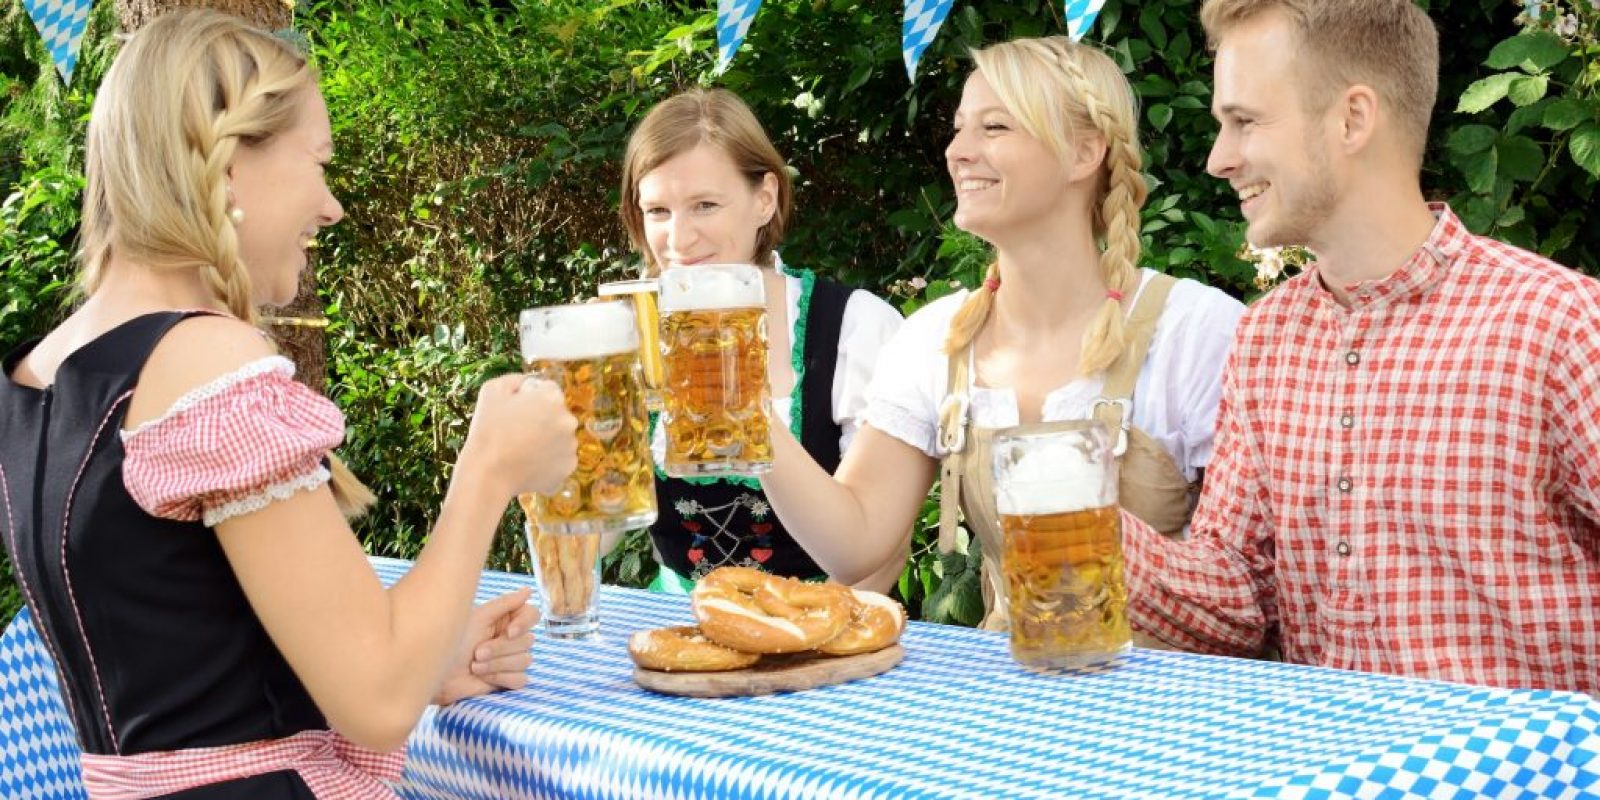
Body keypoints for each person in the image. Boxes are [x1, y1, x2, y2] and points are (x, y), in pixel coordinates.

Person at [0, 10, 579, 797]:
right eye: (319, 161)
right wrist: (489, 470)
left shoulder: (38, 370)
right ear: (228, 160)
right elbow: (378, 703)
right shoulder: (204, 360)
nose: (331, 205)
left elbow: (183, 662)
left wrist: (426, 653)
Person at [1123, 0, 1600, 693]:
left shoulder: (1558, 324)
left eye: (1244, 121)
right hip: (1325, 756)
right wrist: (1090, 531)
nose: (1218, 160)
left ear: (1352, 119)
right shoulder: (1266, 336)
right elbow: (1240, 599)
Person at [759, 36, 1246, 626]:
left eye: (994, 127)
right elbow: (856, 543)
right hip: (1011, 677)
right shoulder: (937, 338)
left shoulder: (1194, 332)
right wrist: (743, 416)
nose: (957, 152)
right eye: (959, 128)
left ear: (1083, 153)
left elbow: (1249, 585)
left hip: (1176, 680)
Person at [615, 88, 903, 590]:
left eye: (704, 205)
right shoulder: (633, 336)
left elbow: (882, 557)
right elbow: (596, 533)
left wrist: (790, 631)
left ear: (765, 199)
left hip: (825, 621)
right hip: (680, 623)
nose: (678, 240)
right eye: (657, 211)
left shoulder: (856, 328)